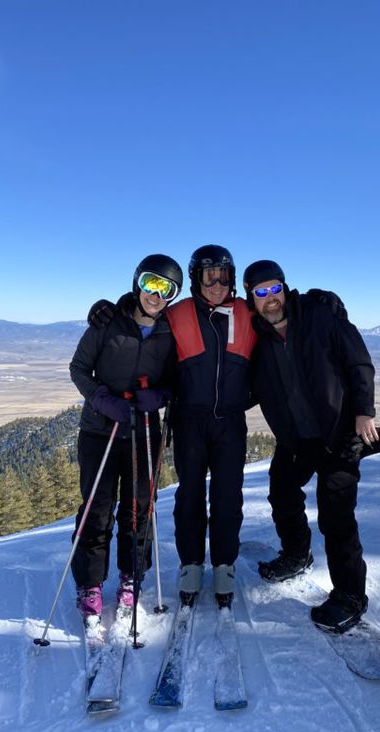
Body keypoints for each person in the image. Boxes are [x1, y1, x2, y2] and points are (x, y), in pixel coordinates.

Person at [87, 245, 256, 609]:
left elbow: (281, 310)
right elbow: (138, 315)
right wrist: (108, 306)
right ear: (196, 278)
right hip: (189, 419)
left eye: (224, 276)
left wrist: (320, 300)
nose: (217, 284)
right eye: (209, 276)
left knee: (228, 496)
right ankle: (191, 562)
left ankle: (224, 563)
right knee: (189, 495)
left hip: (230, 421)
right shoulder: (176, 313)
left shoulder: (247, 311)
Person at [243, 259, 380, 633]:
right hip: (296, 439)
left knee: (336, 517)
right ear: (251, 298)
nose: (270, 298)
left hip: (339, 435)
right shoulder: (256, 338)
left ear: (285, 289)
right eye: (261, 292)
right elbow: (248, 388)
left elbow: (359, 362)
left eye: (275, 288)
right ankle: (296, 553)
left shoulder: (319, 317)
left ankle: (350, 596)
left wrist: (364, 412)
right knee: (282, 493)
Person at [69, 254, 182, 622]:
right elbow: (79, 368)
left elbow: (177, 381)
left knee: (138, 509)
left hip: (143, 430)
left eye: (166, 289)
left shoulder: (170, 333)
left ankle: (131, 576)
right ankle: (90, 583)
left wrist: (160, 397)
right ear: (138, 283)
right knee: (97, 509)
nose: (156, 294)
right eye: (151, 283)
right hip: (100, 430)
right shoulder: (107, 322)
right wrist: (103, 400)